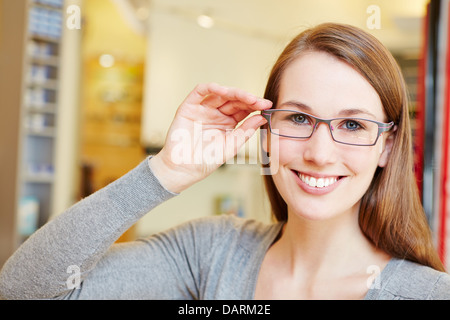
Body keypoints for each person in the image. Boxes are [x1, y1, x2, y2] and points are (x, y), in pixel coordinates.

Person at [1, 23, 449, 300]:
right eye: (297, 118)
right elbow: (23, 292)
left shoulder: (426, 294)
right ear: (266, 131)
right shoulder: (212, 254)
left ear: (387, 147)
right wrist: (163, 174)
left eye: (353, 126)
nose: (319, 152)